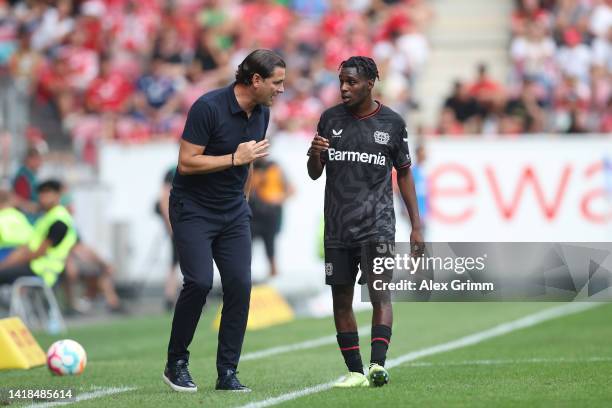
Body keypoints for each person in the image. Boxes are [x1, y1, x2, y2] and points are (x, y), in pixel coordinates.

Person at [163, 49, 285, 393]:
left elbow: (248, 165)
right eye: (277, 83)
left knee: (240, 287)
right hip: (194, 209)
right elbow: (187, 162)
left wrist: (241, 203)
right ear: (256, 80)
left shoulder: (262, 113)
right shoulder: (208, 107)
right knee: (199, 282)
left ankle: (227, 372)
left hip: (233, 212)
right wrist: (234, 157)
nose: (281, 90)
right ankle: (176, 363)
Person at [307, 56, 423, 388]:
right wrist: (315, 153)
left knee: (379, 294)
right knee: (341, 300)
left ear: (370, 83)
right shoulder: (329, 119)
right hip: (338, 227)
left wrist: (417, 225)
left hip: (378, 225)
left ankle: (376, 365)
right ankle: (355, 370)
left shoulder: (392, 123)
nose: (344, 87)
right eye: (341, 81)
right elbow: (315, 173)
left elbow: (403, 173)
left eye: (351, 82)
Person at [0, 179, 77, 287]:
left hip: (42, 270)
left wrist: (10, 263)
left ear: (57, 196)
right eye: (41, 194)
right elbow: (28, 245)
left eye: (47, 193)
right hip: (34, 266)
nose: (42, 198)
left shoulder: (59, 220)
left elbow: (39, 252)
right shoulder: (46, 217)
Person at [249, 159, 293, 278]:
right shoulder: (248, 165)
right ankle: (244, 276)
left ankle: (274, 275)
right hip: (251, 214)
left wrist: (279, 198)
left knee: (271, 246)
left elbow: (291, 189)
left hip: (270, 215)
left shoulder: (275, 168)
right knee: (246, 247)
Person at [156, 166, 179, 311]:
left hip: (186, 223)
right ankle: (170, 296)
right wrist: (171, 226)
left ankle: (171, 296)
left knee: (178, 261)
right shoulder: (172, 171)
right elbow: (164, 199)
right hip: (179, 224)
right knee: (175, 261)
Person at [0, 189, 33, 261]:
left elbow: (6, 236)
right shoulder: (19, 215)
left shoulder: (1, 216)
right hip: (24, 252)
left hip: (5, 253)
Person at [12, 146, 43, 219]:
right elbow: (18, 200)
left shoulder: (31, 175)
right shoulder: (23, 177)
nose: (40, 163)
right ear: (30, 159)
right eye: (38, 159)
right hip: (28, 219)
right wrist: (40, 206)